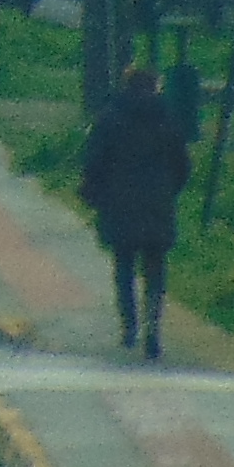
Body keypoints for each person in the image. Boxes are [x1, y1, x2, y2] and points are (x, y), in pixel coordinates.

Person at [80, 58, 194, 361]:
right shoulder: (167, 119)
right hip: (157, 203)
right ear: (155, 86)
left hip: (120, 202)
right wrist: (169, 191)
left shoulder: (110, 118)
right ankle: (153, 328)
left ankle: (129, 325)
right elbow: (182, 166)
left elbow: (94, 162)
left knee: (124, 266)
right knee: (155, 267)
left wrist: (94, 195)